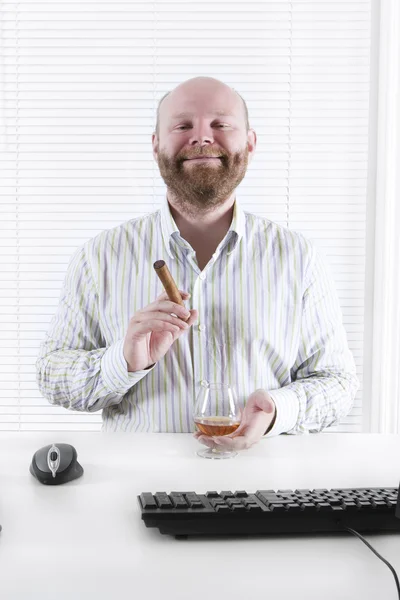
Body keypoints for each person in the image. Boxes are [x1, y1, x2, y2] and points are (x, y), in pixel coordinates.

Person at [36, 76, 359, 451]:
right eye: (183, 125)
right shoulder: (99, 257)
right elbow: (52, 375)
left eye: (220, 125)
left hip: (260, 489)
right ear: (156, 145)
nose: (202, 138)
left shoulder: (299, 258)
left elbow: (337, 382)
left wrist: (276, 410)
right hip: (137, 488)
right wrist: (123, 361)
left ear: (250, 143)